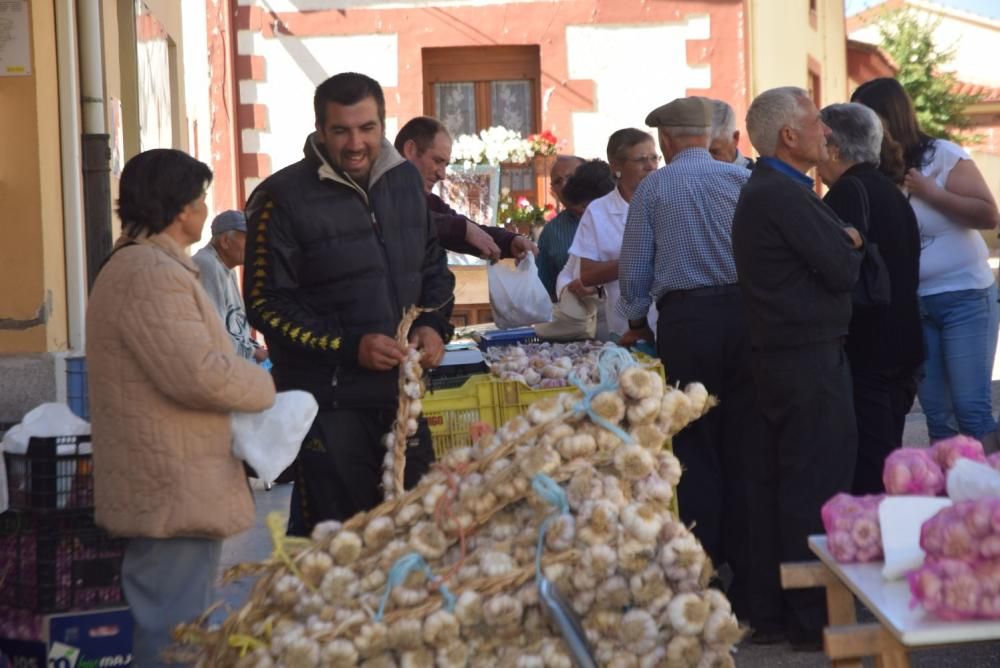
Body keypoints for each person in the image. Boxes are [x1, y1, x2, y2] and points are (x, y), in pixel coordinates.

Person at [87, 149, 276, 666]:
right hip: (170, 480)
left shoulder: (153, 266)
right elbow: (198, 371)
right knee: (174, 626)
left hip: (175, 476)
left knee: (182, 619)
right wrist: (267, 389)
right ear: (178, 208)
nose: (203, 207)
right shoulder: (149, 272)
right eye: (198, 197)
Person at [244, 73, 455, 535]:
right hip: (328, 408)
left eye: (367, 128)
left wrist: (435, 324)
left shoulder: (404, 183)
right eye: (341, 130)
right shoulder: (280, 198)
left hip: (403, 400)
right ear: (320, 130)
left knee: (421, 536)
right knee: (340, 551)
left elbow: (433, 266)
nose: (356, 143)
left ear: (383, 125)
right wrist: (349, 346)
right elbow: (264, 305)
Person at [731, 86, 864, 648]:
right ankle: (812, 618)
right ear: (789, 134)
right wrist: (852, 242)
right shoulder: (779, 195)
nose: (826, 132)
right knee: (815, 485)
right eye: (816, 122)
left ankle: (786, 611)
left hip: (792, 357)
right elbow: (839, 267)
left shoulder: (774, 190)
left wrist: (843, 241)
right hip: (804, 361)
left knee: (792, 484)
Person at [618, 96, 757, 620]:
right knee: (744, 438)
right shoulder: (739, 179)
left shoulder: (654, 187)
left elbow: (636, 265)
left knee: (694, 443)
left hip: (688, 323)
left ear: (670, 142)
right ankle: (749, 562)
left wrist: (634, 320)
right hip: (746, 321)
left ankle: (706, 561)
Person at [852, 77, 1000, 451]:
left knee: (971, 410)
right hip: (914, 305)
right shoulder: (876, 169)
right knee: (938, 416)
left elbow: (988, 214)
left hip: (965, 297)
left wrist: (933, 193)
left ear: (889, 117)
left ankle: (987, 501)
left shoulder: (943, 156)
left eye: (867, 116)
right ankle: (946, 503)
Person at [817, 103, 923, 494]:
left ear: (831, 146)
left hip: (870, 351)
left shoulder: (847, 193)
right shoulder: (890, 191)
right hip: (902, 344)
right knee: (886, 463)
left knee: (871, 474)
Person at [395, 116, 537, 262]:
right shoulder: (380, 189)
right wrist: (463, 229)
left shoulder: (425, 199)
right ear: (410, 150)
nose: (442, 175)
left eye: (445, 165)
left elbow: (465, 230)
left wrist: (510, 241)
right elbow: (405, 219)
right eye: (437, 161)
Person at [569, 128, 659, 339]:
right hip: (625, 326)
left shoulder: (670, 201)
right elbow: (587, 275)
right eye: (641, 160)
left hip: (671, 321)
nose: (651, 166)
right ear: (616, 166)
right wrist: (636, 263)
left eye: (655, 158)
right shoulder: (598, 211)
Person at [534, 160, 615, 340]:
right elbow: (567, 270)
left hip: (617, 323)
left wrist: (597, 289)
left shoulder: (625, 223)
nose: (583, 212)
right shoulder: (585, 226)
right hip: (584, 328)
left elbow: (633, 273)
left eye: (587, 206)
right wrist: (567, 289)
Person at [192, 210, 268, 362]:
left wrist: (254, 349)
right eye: (247, 239)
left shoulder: (226, 267)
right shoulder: (207, 264)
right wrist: (253, 352)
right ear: (225, 241)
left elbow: (236, 326)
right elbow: (213, 331)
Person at [537, 155, 586, 299]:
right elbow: (546, 291)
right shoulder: (552, 232)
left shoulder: (619, 215)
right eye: (558, 181)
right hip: (575, 317)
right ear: (553, 191)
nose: (565, 185)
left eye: (571, 177)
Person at [709, 99, 755, 169]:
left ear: (735, 138)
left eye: (714, 152)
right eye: (699, 152)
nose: (704, 159)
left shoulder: (757, 178)